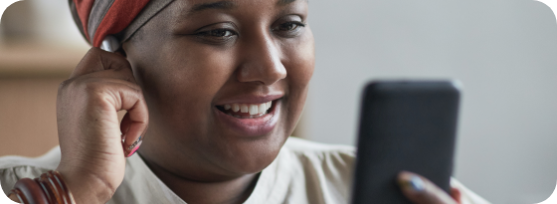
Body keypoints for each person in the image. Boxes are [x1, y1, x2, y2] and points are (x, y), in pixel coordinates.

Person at [0, 0, 491, 203]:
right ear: (113, 59)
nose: (272, 67)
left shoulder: (389, 194)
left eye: (290, 25)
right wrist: (78, 190)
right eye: (218, 31)